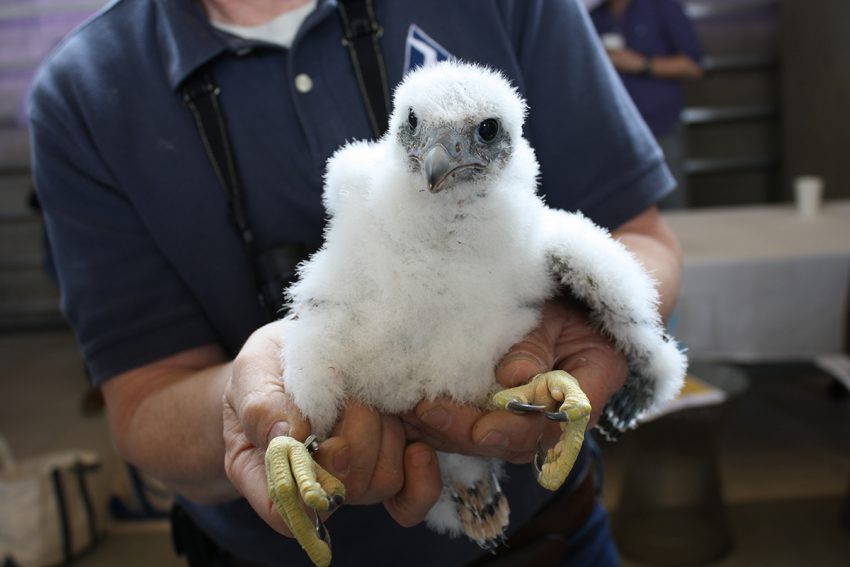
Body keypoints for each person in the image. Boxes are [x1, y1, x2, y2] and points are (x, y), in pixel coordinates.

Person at [28, 0, 682, 565]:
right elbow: (143, 404)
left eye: (478, 136)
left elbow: (640, 239)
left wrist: (595, 338)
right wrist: (254, 406)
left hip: (553, 537)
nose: (443, 159)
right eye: (422, 137)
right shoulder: (86, 90)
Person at [589, 0, 703, 208]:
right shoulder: (595, 18)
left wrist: (641, 64)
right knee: (624, 211)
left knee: (672, 206)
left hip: (660, 128)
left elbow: (692, 65)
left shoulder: (661, 7)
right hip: (612, 133)